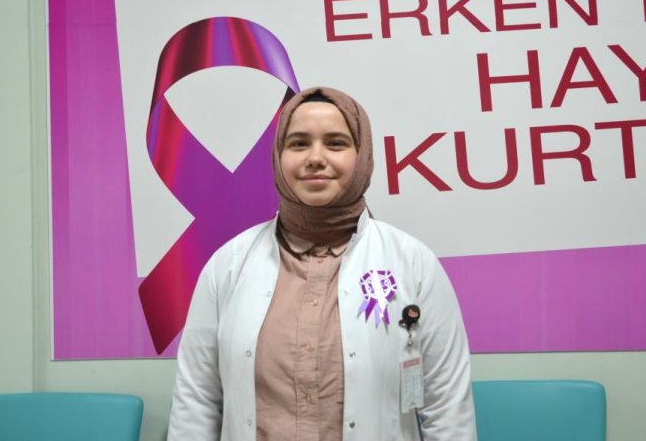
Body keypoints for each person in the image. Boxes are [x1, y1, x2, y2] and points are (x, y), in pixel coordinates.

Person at [167, 87, 476, 441]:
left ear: (362, 156)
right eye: (299, 143)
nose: (315, 158)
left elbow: (447, 410)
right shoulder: (228, 265)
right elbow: (196, 404)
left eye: (335, 143)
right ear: (278, 156)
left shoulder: (414, 264)